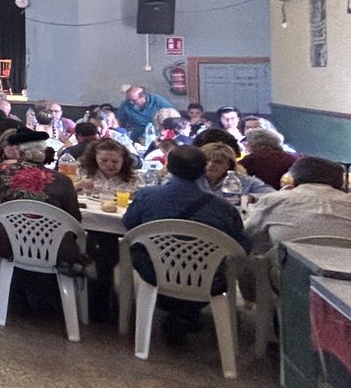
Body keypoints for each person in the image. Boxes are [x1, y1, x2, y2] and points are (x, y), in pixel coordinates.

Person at [124, 144, 249, 344]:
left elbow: (129, 225)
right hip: (206, 279)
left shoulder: (147, 196)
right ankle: (185, 312)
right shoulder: (225, 209)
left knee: (136, 249)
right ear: (203, 169)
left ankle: (173, 311)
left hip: (154, 270)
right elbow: (242, 247)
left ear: (168, 166)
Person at [245, 156, 351, 254]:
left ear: (294, 178)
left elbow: (246, 234)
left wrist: (249, 210)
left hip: (286, 270)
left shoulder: (275, 200)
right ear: (340, 181)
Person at [200, 145, 274, 199]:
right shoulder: (192, 179)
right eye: (206, 161)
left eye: (218, 162)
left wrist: (252, 198)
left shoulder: (246, 182)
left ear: (229, 165)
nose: (210, 165)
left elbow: (274, 197)